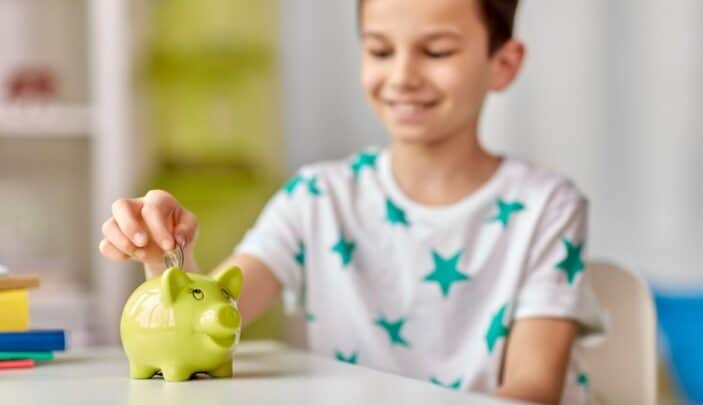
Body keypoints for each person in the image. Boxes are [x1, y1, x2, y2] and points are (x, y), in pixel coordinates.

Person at [99, 0, 605, 403]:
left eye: (437, 51)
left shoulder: (547, 207)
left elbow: (531, 391)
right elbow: (214, 315)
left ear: (504, 63)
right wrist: (164, 257)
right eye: (381, 51)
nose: (403, 76)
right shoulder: (317, 198)